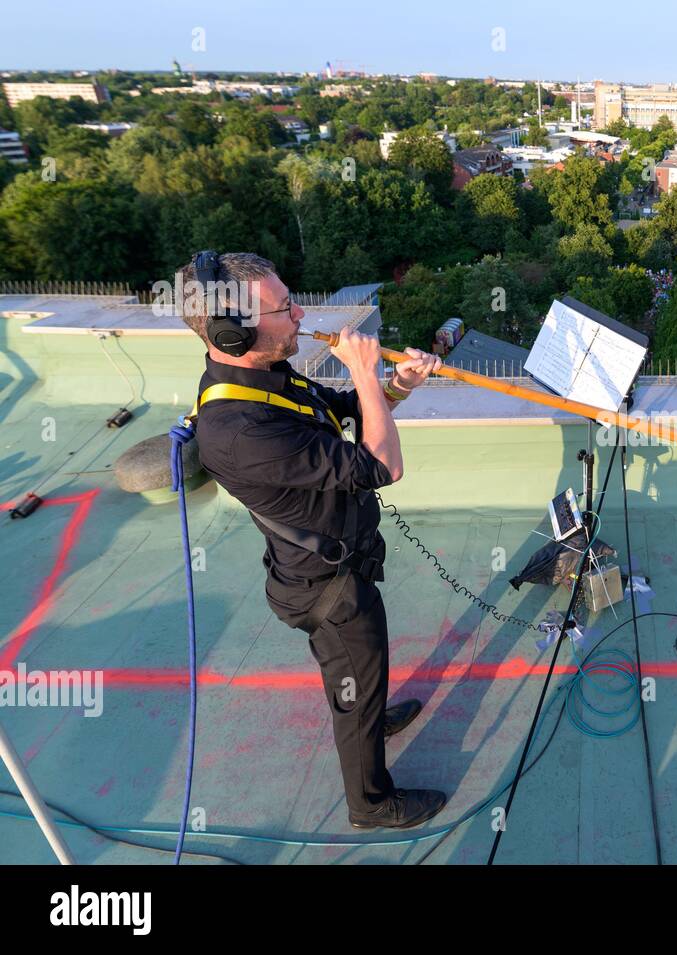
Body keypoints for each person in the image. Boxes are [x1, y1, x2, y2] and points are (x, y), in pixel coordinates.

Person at [179, 251, 448, 831]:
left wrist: (393, 384)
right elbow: (381, 464)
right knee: (355, 684)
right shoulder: (242, 428)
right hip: (328, 589)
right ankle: (371, 804)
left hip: (323, 568)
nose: (300, 314)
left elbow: (347, 413)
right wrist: (359, 370)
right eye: (284, 308)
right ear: (235, 330)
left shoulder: (259, 377)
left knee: (357, 680)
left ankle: (370, 714)